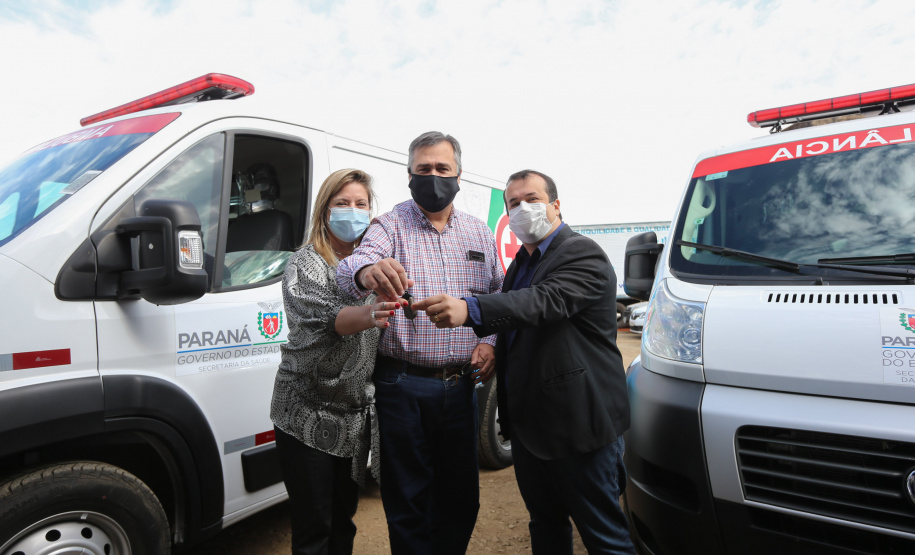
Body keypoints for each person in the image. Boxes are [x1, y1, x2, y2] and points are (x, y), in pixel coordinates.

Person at [412, 170, 636, 554]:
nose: (521, 209)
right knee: (545, 526)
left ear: (555, 205)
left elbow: (544, 302)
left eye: (531, 199)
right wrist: (494, 346)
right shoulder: (520, 264)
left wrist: (470, 308)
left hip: (579, 427)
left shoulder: (582, 252)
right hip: (533, 432)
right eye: (513, 203)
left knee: (604, 535)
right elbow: (517, 323)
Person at [336, 131, 503, 554]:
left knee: (460, 497)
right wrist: (367, 273)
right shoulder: (389, 225)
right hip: (403, 386)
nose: (433, 177)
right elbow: (352, 265)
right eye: (423, 170)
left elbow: (501, 298)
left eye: (442, 169)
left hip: (463, 384)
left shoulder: (479, 234)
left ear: (458, 176)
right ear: (409, 175)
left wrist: (493, 343)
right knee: (407, 499)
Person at [270, 168, 402, 555]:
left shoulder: (375, 264)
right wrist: (373, 313)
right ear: (325, 210)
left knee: (343, 522)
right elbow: (327, 318)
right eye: (343, 203)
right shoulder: (306, 262)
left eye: (361, 204)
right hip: (305, 410)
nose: (353, 211)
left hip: (352, 416)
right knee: (315, 528)